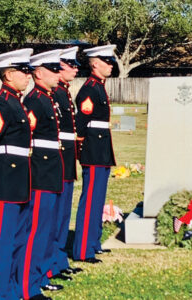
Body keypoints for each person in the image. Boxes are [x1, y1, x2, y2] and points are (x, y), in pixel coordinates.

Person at [0, 48, 34, 300]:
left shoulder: (16, 101)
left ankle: (10, 291)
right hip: (5, 181)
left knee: (15, 240)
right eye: (24, 72)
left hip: (19, 182)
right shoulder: (1, 103)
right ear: (9, 75)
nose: (29, 76)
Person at [21, 49, 64, 299]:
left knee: (46, 229)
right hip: (40, 170)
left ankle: (40, 276)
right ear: (38, 73)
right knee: (36, 230)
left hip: (50, 170)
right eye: (53, 69)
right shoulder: (35, 100)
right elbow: (29, 139)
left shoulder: (48, 98)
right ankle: (29, 285)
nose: (58, 74)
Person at [73, 45, 117, 264]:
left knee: (97, 200)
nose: (110, 65)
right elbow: (81, 125)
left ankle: (93, 243)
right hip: (93, 149)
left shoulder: (99, 86)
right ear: (95, 63)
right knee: (90, 200)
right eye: (107, 61)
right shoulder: (90, 88)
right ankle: (82, 249)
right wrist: (82, 150)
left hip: (101, 149)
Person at [46, 46, 82, 280]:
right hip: (57, 155)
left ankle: (58, 260)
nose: (76, 68)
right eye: (70, 64)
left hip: (66, 155)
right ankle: (51, 262)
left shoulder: (64, 92)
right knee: (54, 215)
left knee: (62, 214)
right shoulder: (55, 93)